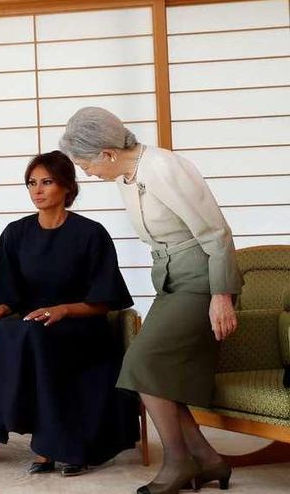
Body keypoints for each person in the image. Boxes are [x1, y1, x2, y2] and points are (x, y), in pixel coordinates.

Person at [60, 107, 242, 494]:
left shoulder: (163, 167)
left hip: (203, 275)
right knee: (154, 373)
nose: (87, 174)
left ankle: (178, 461)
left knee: (142, 362)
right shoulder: (128, 175)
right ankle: (207, 460)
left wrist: (221, 295)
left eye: (86, 164)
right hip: (171, 278)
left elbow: (217, 233)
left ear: (108, 153)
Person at [0, 150, 139, 477]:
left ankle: (57, 448)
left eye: (47, 182)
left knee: (35, 336)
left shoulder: (91, 233)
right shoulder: (16, 233)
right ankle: (46, 444)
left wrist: (63, 310)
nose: (37, 190)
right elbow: (12, 296)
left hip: (82, 325)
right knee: (10, 330)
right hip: (36, 324)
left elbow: (106, 301)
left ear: (67, 187)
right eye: (32, 183)